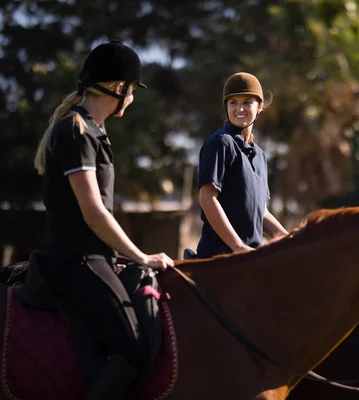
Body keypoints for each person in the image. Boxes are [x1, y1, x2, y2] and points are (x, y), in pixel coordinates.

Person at [32, 39, 173, 400]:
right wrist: (141, 256)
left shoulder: (94, 131)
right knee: (135, 347)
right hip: (75, 260)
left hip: (95, 257)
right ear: (119, 88)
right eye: (132, 90)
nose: (133, 98)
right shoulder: (75, 131)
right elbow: (94, 214)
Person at [195, 72, 288, 259]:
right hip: (218, 260)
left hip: (248, 261)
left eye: (247, 102)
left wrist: (288, 238)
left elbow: (260, 211)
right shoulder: (220, 143)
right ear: (226, 107)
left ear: (260, 107)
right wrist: (238, 247)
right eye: (233, 103)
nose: (240, 109)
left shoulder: (260, 155)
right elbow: (207, 199)